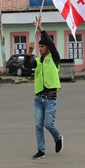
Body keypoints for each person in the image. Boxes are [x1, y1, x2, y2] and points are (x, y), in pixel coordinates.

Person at [26, 19, 63, 159]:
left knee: (49, 123)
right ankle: (41, 150)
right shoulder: (38, 60)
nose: (39, 48)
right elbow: (27, 64)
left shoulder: (54, 58)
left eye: (42, 46)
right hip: (38, 98)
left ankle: (58, 137)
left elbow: (52, 44)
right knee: (38, 125)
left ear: (47, 47)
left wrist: (41, 28)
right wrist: (29, 53)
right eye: (38, 46)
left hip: (50, 97)